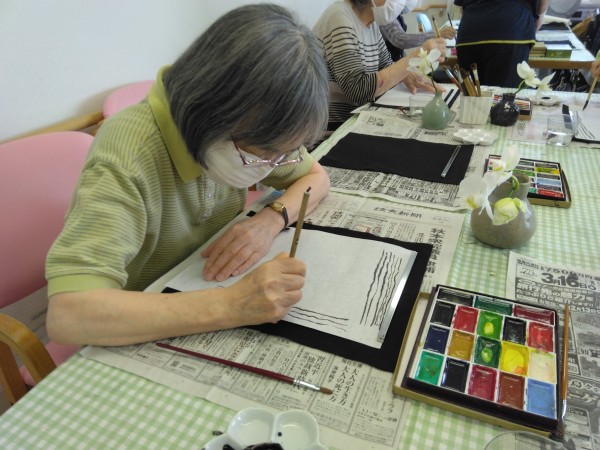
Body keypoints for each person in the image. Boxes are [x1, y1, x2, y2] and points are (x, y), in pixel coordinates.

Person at [45, 4, 331, 347]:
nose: (272, 165)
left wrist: (268, 222)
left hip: (196, 280)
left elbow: (315, 177)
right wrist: (233, 304)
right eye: (262, 153)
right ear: (213, 112)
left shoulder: (239, 133)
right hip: (135, 322)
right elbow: (69, 315)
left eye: (281, 155)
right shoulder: (129, 155)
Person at [313, 0, 446, 131]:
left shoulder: (372, 23)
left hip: (353, 120)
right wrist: (415, 57)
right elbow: (358, 90)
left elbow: (386, 64)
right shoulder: (340, 18)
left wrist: (408, 75)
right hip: (332, 128)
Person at [453, 0, 550, 88]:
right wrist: (539, 17)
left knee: (471, 98)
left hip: (469, 32)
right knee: (504, 97)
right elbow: (542, 5)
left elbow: (461, 7)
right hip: (511, 26)